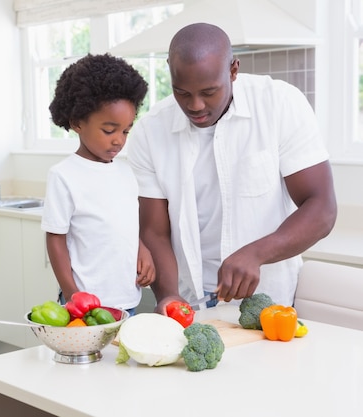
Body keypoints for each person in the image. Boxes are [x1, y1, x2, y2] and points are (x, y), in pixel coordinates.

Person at [128, 23, 337, 313]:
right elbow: (154, 231)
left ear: (233, 70)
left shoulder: (279, 104)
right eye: (182, 93)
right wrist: (168, 294)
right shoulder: (149, 131)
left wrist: (256, 253)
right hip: (193, 298)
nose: (196, 105)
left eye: (209, 92)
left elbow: (322, 208)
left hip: (267, 298)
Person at [41, 53, 155, 315]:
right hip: (84, 302)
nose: (119, 140)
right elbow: (55, 239)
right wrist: (72, 294)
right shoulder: (64, 175)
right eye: (109, 130)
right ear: (77, 122)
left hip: (127, 300)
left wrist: (142, 249)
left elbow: (123, 224)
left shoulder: (127, 173)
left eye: (126, 130)